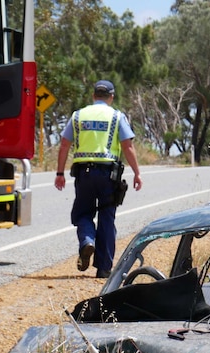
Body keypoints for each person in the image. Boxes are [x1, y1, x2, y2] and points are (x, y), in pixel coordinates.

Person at [55, 79, 142, 278]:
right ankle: (103, 269)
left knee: (83, 213)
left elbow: (64, 145)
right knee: (106, 218)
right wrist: (137, 173)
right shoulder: (117, 116)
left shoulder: (77, 116)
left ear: (94, 96)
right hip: (108, 175)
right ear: (111, 97)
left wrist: (59, 173)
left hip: (83, 174)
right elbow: (128, 146)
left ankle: (87, 240)